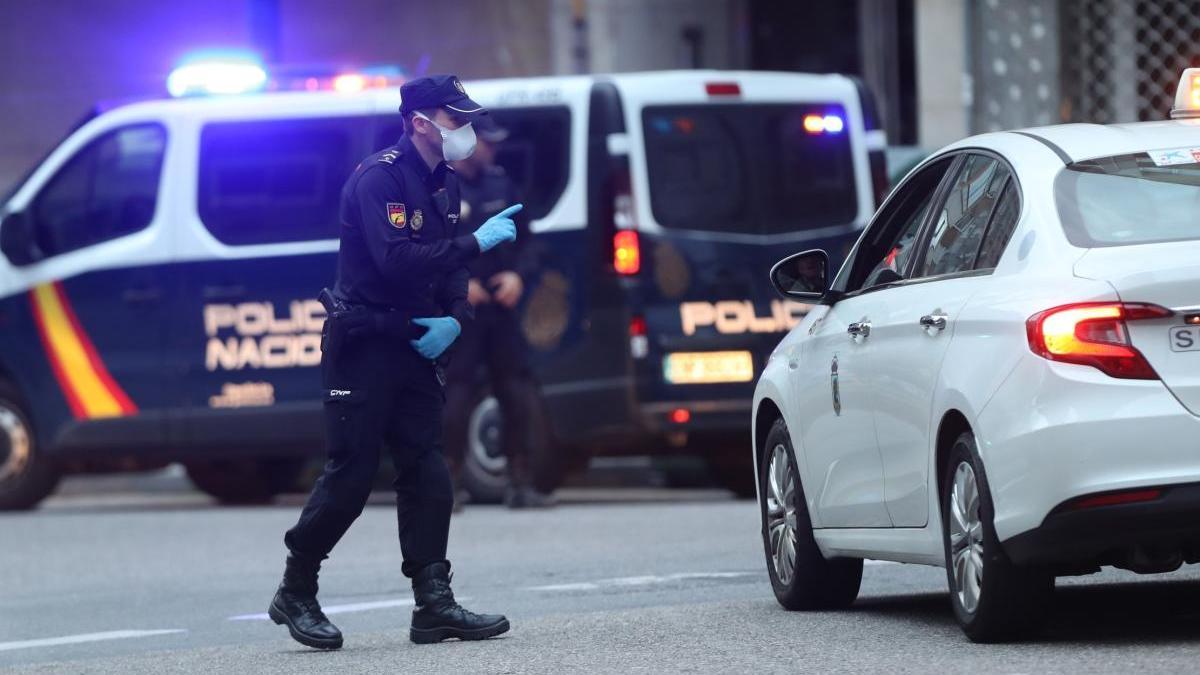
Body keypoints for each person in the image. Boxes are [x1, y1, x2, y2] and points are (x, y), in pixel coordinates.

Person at [268, 75, 520, 650]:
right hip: (363, 343)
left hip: (414, 341)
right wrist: (476, 244)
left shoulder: (444, 182)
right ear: (419, 123)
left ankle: (434, 604)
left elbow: (447, 271)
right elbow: (397, 261)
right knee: (352, 474)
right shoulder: (378, 177)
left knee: (427, 470)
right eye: (455, 120)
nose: (466, 132)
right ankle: (295, 589)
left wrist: (456, 315)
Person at [445, 117, 552, 509]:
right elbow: (427, 251)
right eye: (486, 144)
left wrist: (517, 277)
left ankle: (520, 482)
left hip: (501, 310)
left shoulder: (500, 184)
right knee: (454, 395)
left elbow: (530, 244)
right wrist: (458, 284)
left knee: (515, 393)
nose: (492, 150)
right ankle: (448, 483)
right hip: (461, 311)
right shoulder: (441, 189)